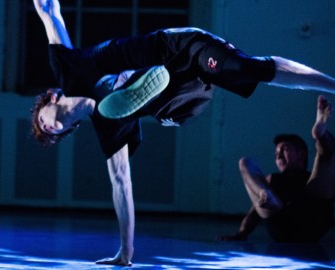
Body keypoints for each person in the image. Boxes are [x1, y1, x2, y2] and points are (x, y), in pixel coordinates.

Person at [31, 0, 335, 265]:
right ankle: (131, 87)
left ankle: (331, 83)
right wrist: (126, 250)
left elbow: (47, 9)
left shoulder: (65, 68)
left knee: (246, 69)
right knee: (110, 108)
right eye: (53, 135)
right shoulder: (107, 128)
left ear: (50, 97)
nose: (50, 130)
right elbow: (121, 185)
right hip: (179, 102)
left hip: (181, 50)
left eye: (42, 122)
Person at [218, 95, 335, 243]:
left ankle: (321, 134)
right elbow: (254, 213)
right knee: (245, 162)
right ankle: (269, 198)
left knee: (326, 164)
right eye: (276, 153)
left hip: (312, 218)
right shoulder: (273, 180)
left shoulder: (313, 179)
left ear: (301, 154)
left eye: (284, 149)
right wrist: (242, 232)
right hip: (281, 221)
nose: (278, 156)